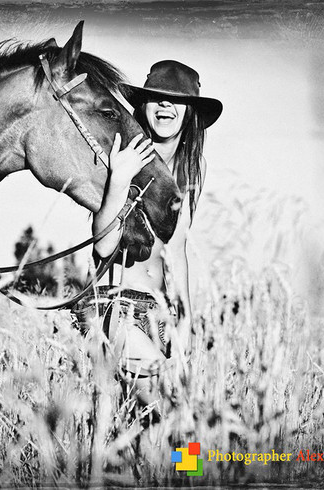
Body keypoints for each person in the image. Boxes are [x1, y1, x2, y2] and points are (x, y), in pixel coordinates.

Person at [74, 60, 222, 407]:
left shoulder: (191, 169)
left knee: (152, 424)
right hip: (114, 305)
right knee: (169, 406)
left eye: (177, 99)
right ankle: (184, 451)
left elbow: (177, 250)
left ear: (190, 112)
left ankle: (165, 452)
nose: (165, 104)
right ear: (143, 106)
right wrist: (119, 178)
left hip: (160, 312)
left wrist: (185, 320)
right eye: (156, 96)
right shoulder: (121, 156)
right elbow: (103, 245)